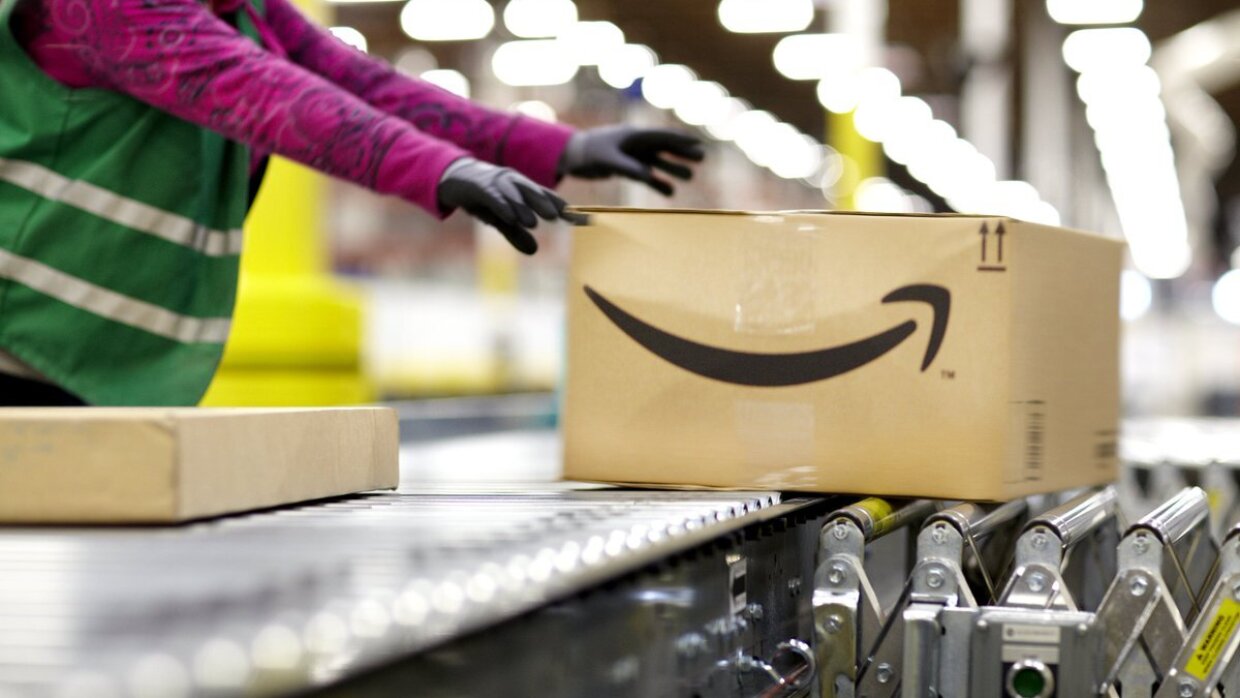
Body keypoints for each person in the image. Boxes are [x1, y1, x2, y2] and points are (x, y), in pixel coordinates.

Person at [0, 0, 704, 407]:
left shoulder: (242, 9)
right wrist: (442, 168)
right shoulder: (105, 7)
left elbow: (363, 85)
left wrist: (557, 149)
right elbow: (261, 93)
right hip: (20, 344)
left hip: (88, 364)